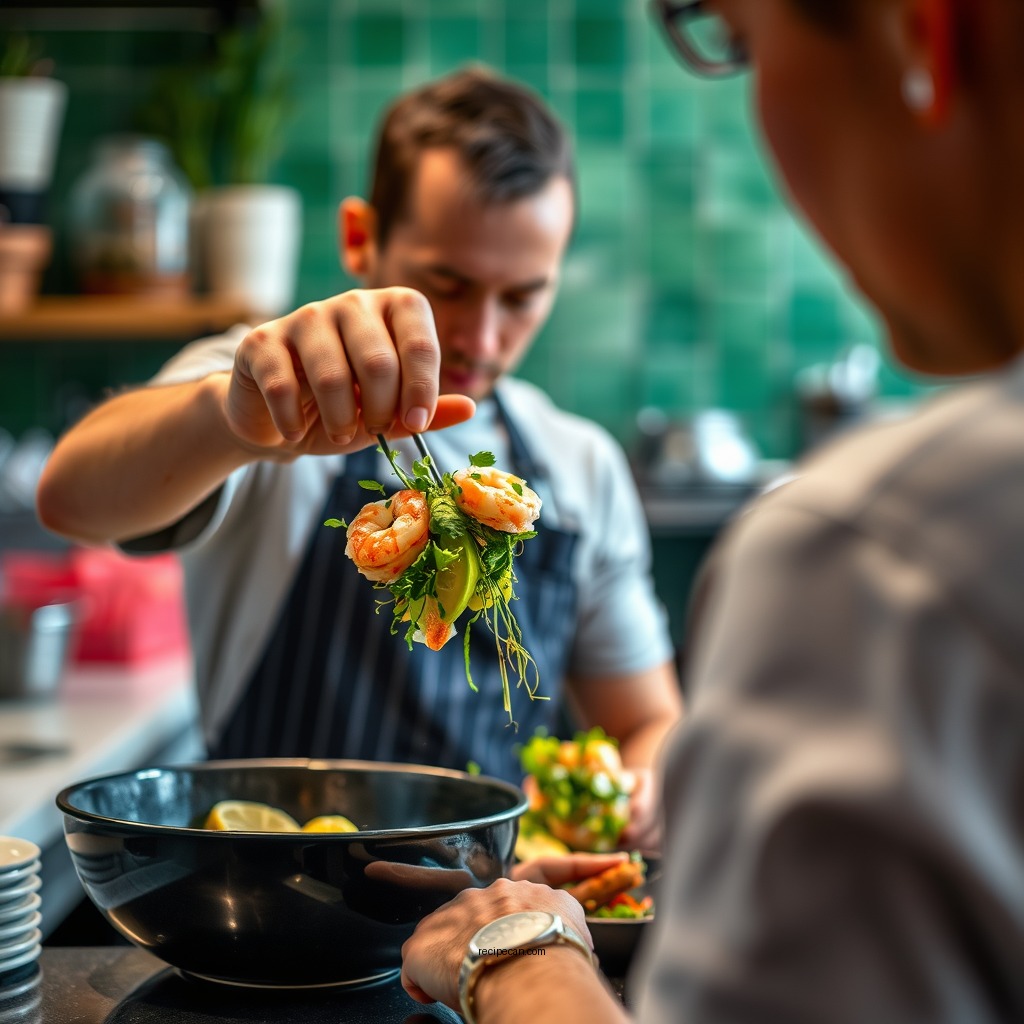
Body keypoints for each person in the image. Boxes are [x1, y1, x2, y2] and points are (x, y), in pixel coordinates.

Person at [396, 1, 1024, 1021]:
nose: (481, 330)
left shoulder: (873, 561)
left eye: (741, 42)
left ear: (925, 35)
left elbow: (647, 721)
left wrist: (514, 950)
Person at [36, 66, 682, 848]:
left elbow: (645, 719)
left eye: (522, 296)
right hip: (274, 911)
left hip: (497, 924)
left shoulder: (579, 466)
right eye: (448, 283)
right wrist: (231, 425)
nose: (481, 338)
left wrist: (637, 788)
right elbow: (70, 497)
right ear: (359, 239)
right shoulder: (268, 386)